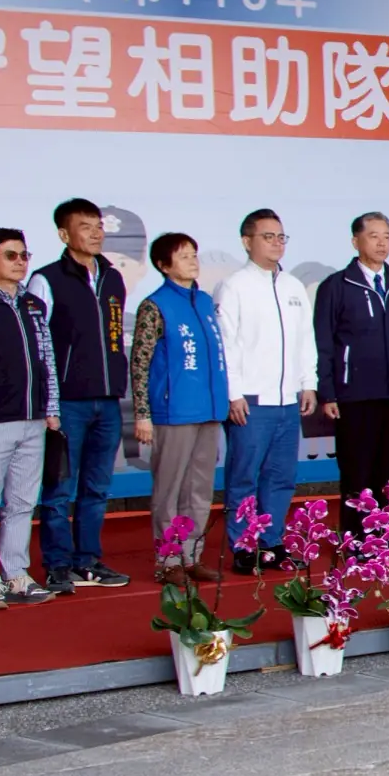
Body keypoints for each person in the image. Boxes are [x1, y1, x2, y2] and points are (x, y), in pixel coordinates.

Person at [26, 198, 132, 593]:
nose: (95, 233)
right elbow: (37, 346)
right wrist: (47, 404)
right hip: (66, 403)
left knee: (97, 488)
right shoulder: (46, 279)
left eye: (98, 226)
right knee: (59, 490)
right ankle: (58, 565)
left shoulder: (112, 278)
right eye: (85, 226)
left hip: (107, 401)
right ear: (63, 234)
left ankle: (88, 561)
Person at [216, 209, 319, 573]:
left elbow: (305, 339)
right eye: (268, 236)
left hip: (288, 401)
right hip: (251, 401)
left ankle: (272, 542)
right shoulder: (234, 286)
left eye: (281, 237)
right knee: (244, 476)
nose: (276, 243)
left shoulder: (292, 286)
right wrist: (234, 393)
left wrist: (308, 383)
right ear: (247, 242)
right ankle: (244, 545)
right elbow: (226, 344)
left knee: (281, 476)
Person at [313, 213, 389, 537]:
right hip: (355, 396)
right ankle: (356, 540)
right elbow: (323, 343)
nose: (381, 243)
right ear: (355, 241)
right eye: (373, 236)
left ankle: (386, 537)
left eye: (386, 236)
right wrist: (327, 392)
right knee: (357, 472)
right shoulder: (337, 286)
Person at [130, 232, 229, 582]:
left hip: (208, 411)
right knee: (169, 490)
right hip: (173, 413)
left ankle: (191, 555)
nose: (192, 261)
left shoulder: (204, 301)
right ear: (163, 265)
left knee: (199, 490)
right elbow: (139, 363)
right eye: (183, 255)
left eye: (193, 254)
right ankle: (168, 561)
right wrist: (143, 414)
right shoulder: (155, 305)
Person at [0, 229, 60, 607]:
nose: (21, 262)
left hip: (33, 420)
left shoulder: (32, 304)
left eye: (24, 255)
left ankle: (15, 573)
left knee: (23, 502)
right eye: (10, 255)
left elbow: (46, 359)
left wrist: (51, 409)